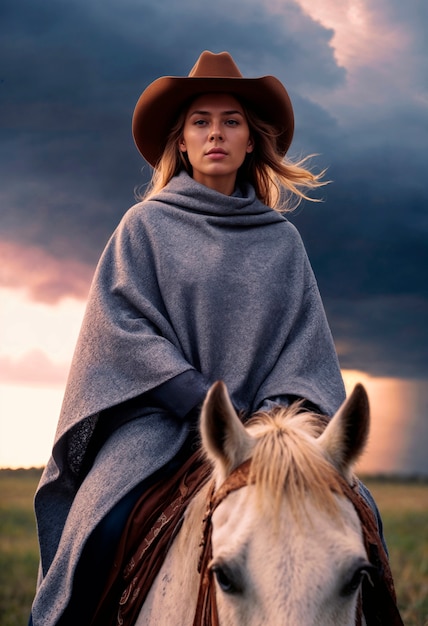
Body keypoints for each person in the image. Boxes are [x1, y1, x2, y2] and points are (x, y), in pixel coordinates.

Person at [29, 50, 384, 625]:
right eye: (201, 121)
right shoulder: (142, 227)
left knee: (361, 517)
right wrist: (197, 399)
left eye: (231, 121)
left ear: (251, 141)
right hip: (159, 427)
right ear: (183, 142)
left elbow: (302, 347)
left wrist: (268, 424)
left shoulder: (282, 242)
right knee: (102, 527)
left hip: (267, 432)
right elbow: (120, 326)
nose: (216, 132)